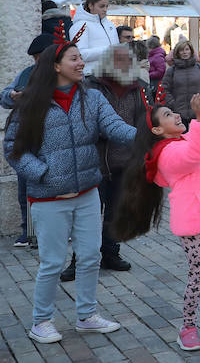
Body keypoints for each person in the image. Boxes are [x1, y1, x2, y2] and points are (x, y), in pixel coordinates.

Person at [110, 64, 200, 351]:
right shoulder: (165, 153)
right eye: (168, 115)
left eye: (174, 112)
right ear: (156, 129)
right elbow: (193, 156)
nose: (177, 115)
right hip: (192, 222)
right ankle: (187, 326)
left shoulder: (191, 136)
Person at [2, 28, 137, 344]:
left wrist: (149, 136)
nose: (81, 64)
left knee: (90, 256)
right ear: (56, 65)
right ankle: (41, 321)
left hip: (88, 192)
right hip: (49, 197)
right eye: (74, 58)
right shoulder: (32, 103)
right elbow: (13, 148)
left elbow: (115, 127)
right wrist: (43, 174)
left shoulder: (91, 97)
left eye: (80, 58)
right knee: (52, 263)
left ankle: (87, 316)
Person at [81, 45, 150, 276]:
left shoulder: (138, 88)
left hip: (125, 162)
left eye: (126, 60)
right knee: (89, 214)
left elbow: (144, 122)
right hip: (96, 162)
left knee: (116, 211)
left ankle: (110, 252)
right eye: (117, 60)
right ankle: (80, 258)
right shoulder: (92, 86)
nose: (123, 64)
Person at [0, 32, 55, 247]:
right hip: (27, 138)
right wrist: (12, 96)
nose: (37, 62)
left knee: (52, 190)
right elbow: (3, 97)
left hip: (52, 140)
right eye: (35, 58)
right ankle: (29, 232)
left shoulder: (63, 76)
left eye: (41, 57)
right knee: (25, 190)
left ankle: (54, 231)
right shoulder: (26, 74)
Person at [158, 40, 200, 125]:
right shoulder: (172, 70)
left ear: (191, 51)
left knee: (198, 137)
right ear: (177, 53)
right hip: (178, 114)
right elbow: (164, 89)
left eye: (187, 49)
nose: (184, 52)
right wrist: (173, 104)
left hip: (198, 112)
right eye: (181, 50)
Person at [68, 0, 117, 80]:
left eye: (107, 6)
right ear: (90, 5)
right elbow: (79, 54)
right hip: (90, 75)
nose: (105, 9)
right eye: (102, 6)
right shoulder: (81, 25)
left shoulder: (110, 24)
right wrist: (107, 50)